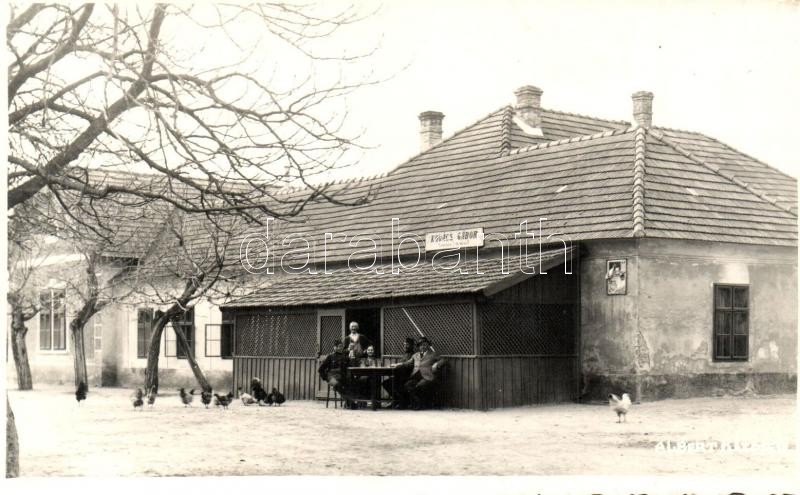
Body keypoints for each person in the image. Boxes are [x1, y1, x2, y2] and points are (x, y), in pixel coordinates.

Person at [397, 337, 443, 410]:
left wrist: (436, 364)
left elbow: (443, 360)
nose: (423, 347)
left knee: (419, 386)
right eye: (421, 345)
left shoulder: (433, 354)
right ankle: (416, 403)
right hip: (416, 376)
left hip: (427, 376)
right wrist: (399, 364)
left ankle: (419, 405)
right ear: (418, 347)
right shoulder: (415, 355)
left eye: (425, 345)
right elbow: (407, 363)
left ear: (428, 345)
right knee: (407, 385)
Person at [318, 339, 354, 406]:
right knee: (338, 385)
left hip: (341, 376)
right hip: (331, 377)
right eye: (339, 346)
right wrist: (326, 378)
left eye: (341, 346)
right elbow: (321, 369)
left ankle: (349, 402)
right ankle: (350, 402)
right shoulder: (330, 357)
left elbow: (350, 366)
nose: (340, 348)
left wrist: (352, 358)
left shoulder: (345, 357)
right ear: (334, 347)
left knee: (351, 383)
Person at [383, 337, 416, 409]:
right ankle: (396, 400)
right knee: (386, 383)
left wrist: (399, 365)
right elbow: (401, 364)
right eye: (404, 344)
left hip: (408, 376)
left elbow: (409, 365)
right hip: (400, 375)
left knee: (395, 383)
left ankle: (402, 402)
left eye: (407, 345)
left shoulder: (414, 355)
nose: (405, 346)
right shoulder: (405, 354)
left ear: (412, 346)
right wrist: (395, 365)